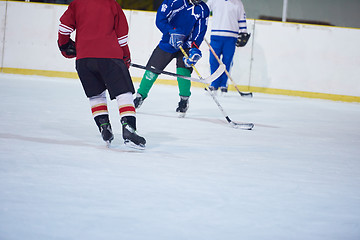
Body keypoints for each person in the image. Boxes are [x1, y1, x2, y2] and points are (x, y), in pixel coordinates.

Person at [57, 0, 146, 149]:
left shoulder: (77, 3)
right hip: (110, 57)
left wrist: (64, 45)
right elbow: (122, 36)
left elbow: (64, 28)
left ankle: (104, 126)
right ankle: (129, 129)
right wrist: (126, 56)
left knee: (96, 94)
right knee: (124, 92)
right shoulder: (112, 4)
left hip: (84, 60)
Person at [133, 0, 210, 117]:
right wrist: (171, 31)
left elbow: (200, 31)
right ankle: (140, 96)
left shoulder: (203, 9)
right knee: (152, 70)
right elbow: (160, 18)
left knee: (183, 72)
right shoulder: (174, 1)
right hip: (168, 42)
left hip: (186, 45)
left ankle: (184, 100)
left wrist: (194, 47)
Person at [206, 0, 250, 93]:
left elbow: (242, 18)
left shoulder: (238, 3)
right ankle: (214, 84)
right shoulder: (213, 1)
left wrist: (244, 32)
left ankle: (223, 84)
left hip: (231, 37)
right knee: (213, 61)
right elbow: (204, 10)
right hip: (215, 35)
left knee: (227, 62)